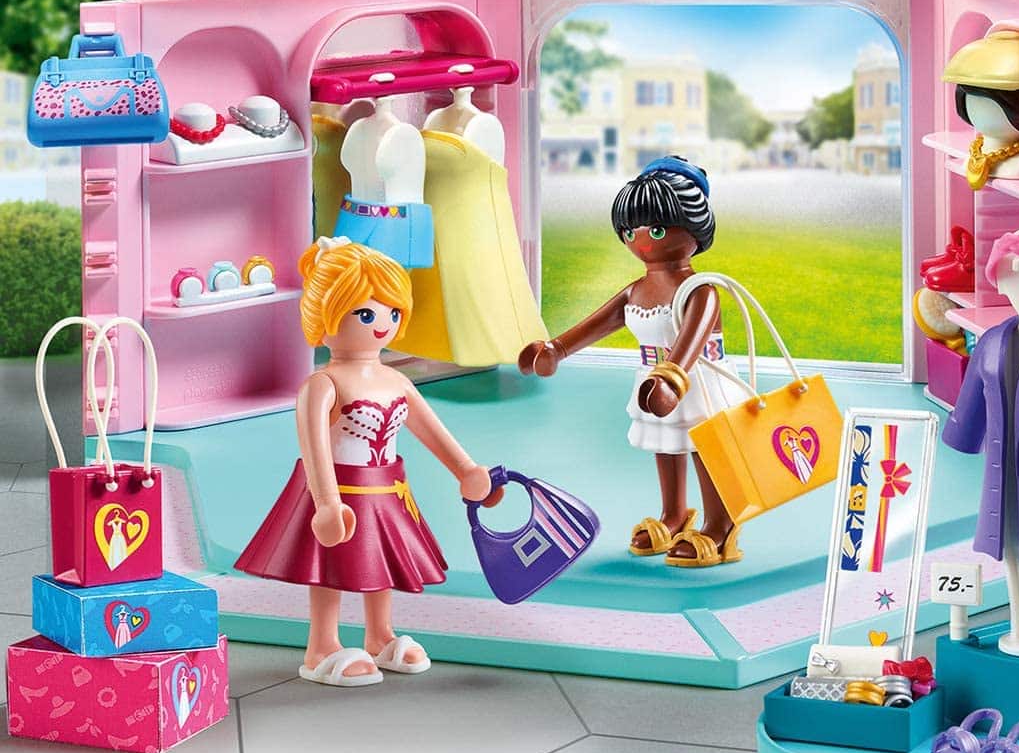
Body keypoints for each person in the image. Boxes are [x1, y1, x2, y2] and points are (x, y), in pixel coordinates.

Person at [235, 237, 499, 686]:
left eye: (392, 312)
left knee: (381, 562)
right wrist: (325, 502)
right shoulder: (322, 385)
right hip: (338, 492)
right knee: (330, 566)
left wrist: (466, 470)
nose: (382, 324)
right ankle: (322, 645)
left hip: (387, 490)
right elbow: (315, 448)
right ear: (325, 315)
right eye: (365, 313)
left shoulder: (395, 380)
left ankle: (380, 635)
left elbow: (430, 430)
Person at [519, 157, 743, 567]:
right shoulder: (636, 291)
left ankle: (720, 523)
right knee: (666, 444)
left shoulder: (701, 290)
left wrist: (673, 379)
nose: (642, 241)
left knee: (705, 448)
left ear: (694, 228)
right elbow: (600, 322)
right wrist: (555, 349)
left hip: (696, 381)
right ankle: (674, 515)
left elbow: (692, 341)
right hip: (655, 378)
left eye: (656, 230)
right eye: (629, 231)